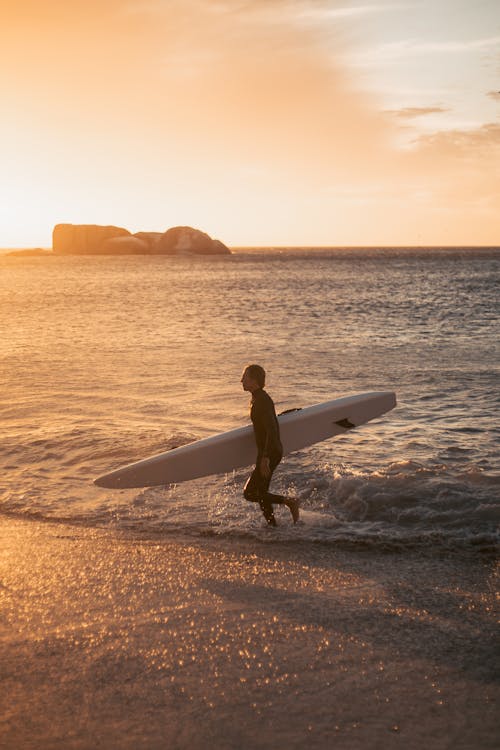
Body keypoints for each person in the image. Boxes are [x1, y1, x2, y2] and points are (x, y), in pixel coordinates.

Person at [241, 364, 299, 526]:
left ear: (254, 380)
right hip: (268, 451)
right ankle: (273, 527)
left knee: (250, 493)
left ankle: (289, 502)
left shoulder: (262, 401)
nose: (241, 380)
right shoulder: (258, 398)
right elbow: (268, 423)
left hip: (270, 452)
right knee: (261, 493)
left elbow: (272, 430)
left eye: (244, 377)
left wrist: (265, 457)